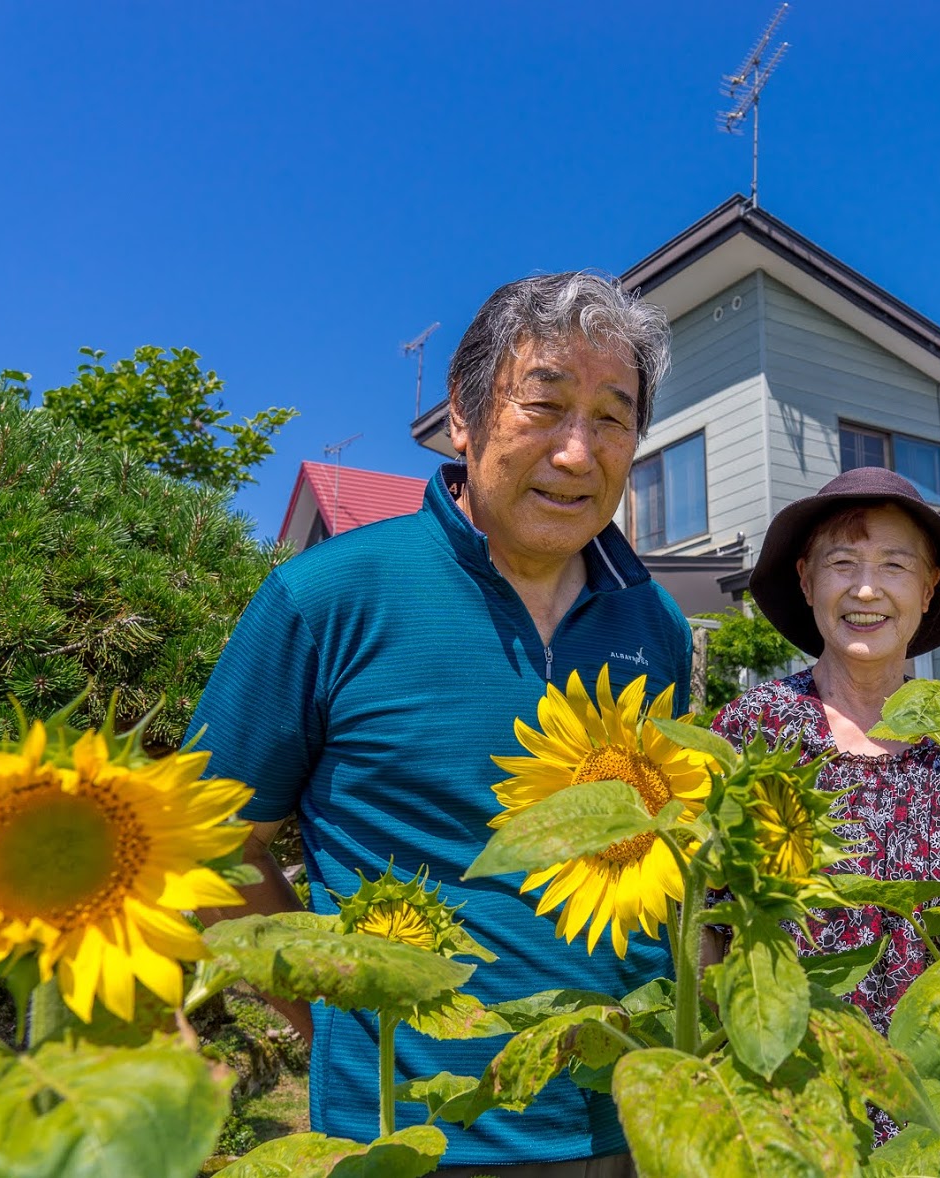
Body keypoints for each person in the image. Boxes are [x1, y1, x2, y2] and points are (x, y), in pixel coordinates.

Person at [187, 273, 687, 1177]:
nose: (578, 452)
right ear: (463, 416)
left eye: (613, 418)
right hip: (407, 1139)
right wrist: (335, 1010)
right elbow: (208, 848)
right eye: (544, 405)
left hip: (628, 1127)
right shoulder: (331, 595)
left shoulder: (657, 626)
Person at [711, 466, 940, 1178]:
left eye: (894, 566)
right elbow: (709, 927)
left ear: (927, 591)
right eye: (843, 564)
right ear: (806, 582)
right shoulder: (754, 730)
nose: (866, 590)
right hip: (795, 1107)